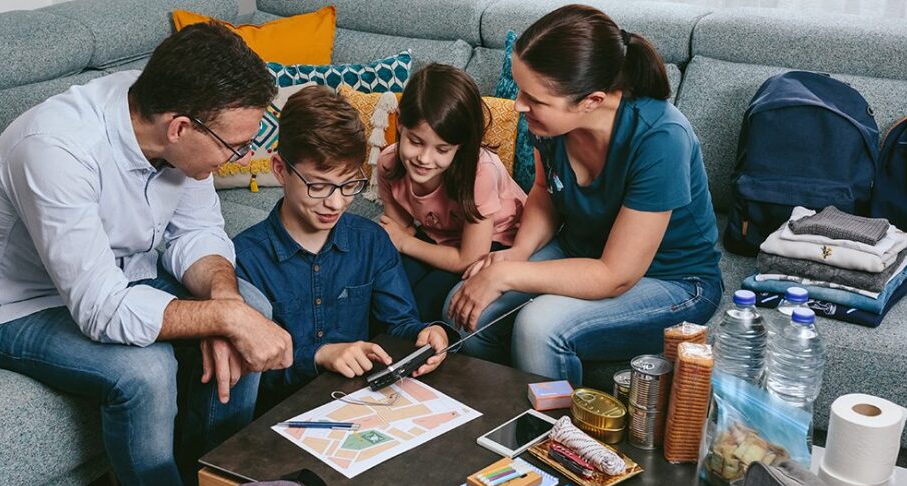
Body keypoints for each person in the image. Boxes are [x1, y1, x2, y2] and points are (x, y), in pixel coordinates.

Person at [0, 23, 292, 486]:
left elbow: (196, 234)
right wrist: (226, 320)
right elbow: (101, 310)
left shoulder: (167, 110)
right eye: (236, 146)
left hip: (119, 274)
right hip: (11, 308)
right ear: (180, 128)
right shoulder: (57, 149)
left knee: (253, 306)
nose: (239, 156)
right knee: (145, 372)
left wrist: (227, 309)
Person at [445, 5, 722, 385]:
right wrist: (518, 253)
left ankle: (553, 437)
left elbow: (614, 275)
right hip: (582, 250)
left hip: (673, 280)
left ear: (592, 100)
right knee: (463, 306)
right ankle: (500, 412)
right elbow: (544, 191)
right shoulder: (548, 123)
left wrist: (509, 274)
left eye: (535, 99)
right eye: (521, 90)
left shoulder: (661, 137)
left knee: (539, 327)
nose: (518, 105)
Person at [233, 86, 453, 409]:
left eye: (350, 184)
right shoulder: (244, 260)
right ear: (280, 169)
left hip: (362, 411)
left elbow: (400, 325)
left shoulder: (371, 242)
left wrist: (429, 334)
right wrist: (319, 356)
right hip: (276, 422)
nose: (336, 203)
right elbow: (245, 371)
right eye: (318, 185)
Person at [377, 64, 527, 322]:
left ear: (461, 145)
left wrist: (405, 242)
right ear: (400, 122)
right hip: (438, 236)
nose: (425, 158)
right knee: (384, 292)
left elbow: (468, 258)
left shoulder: (481, 173)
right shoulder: (388, 162)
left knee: (425, 304)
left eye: (442, 149)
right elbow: (396, 232)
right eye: (415, 141)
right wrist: (401, 243)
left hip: (494, 242)